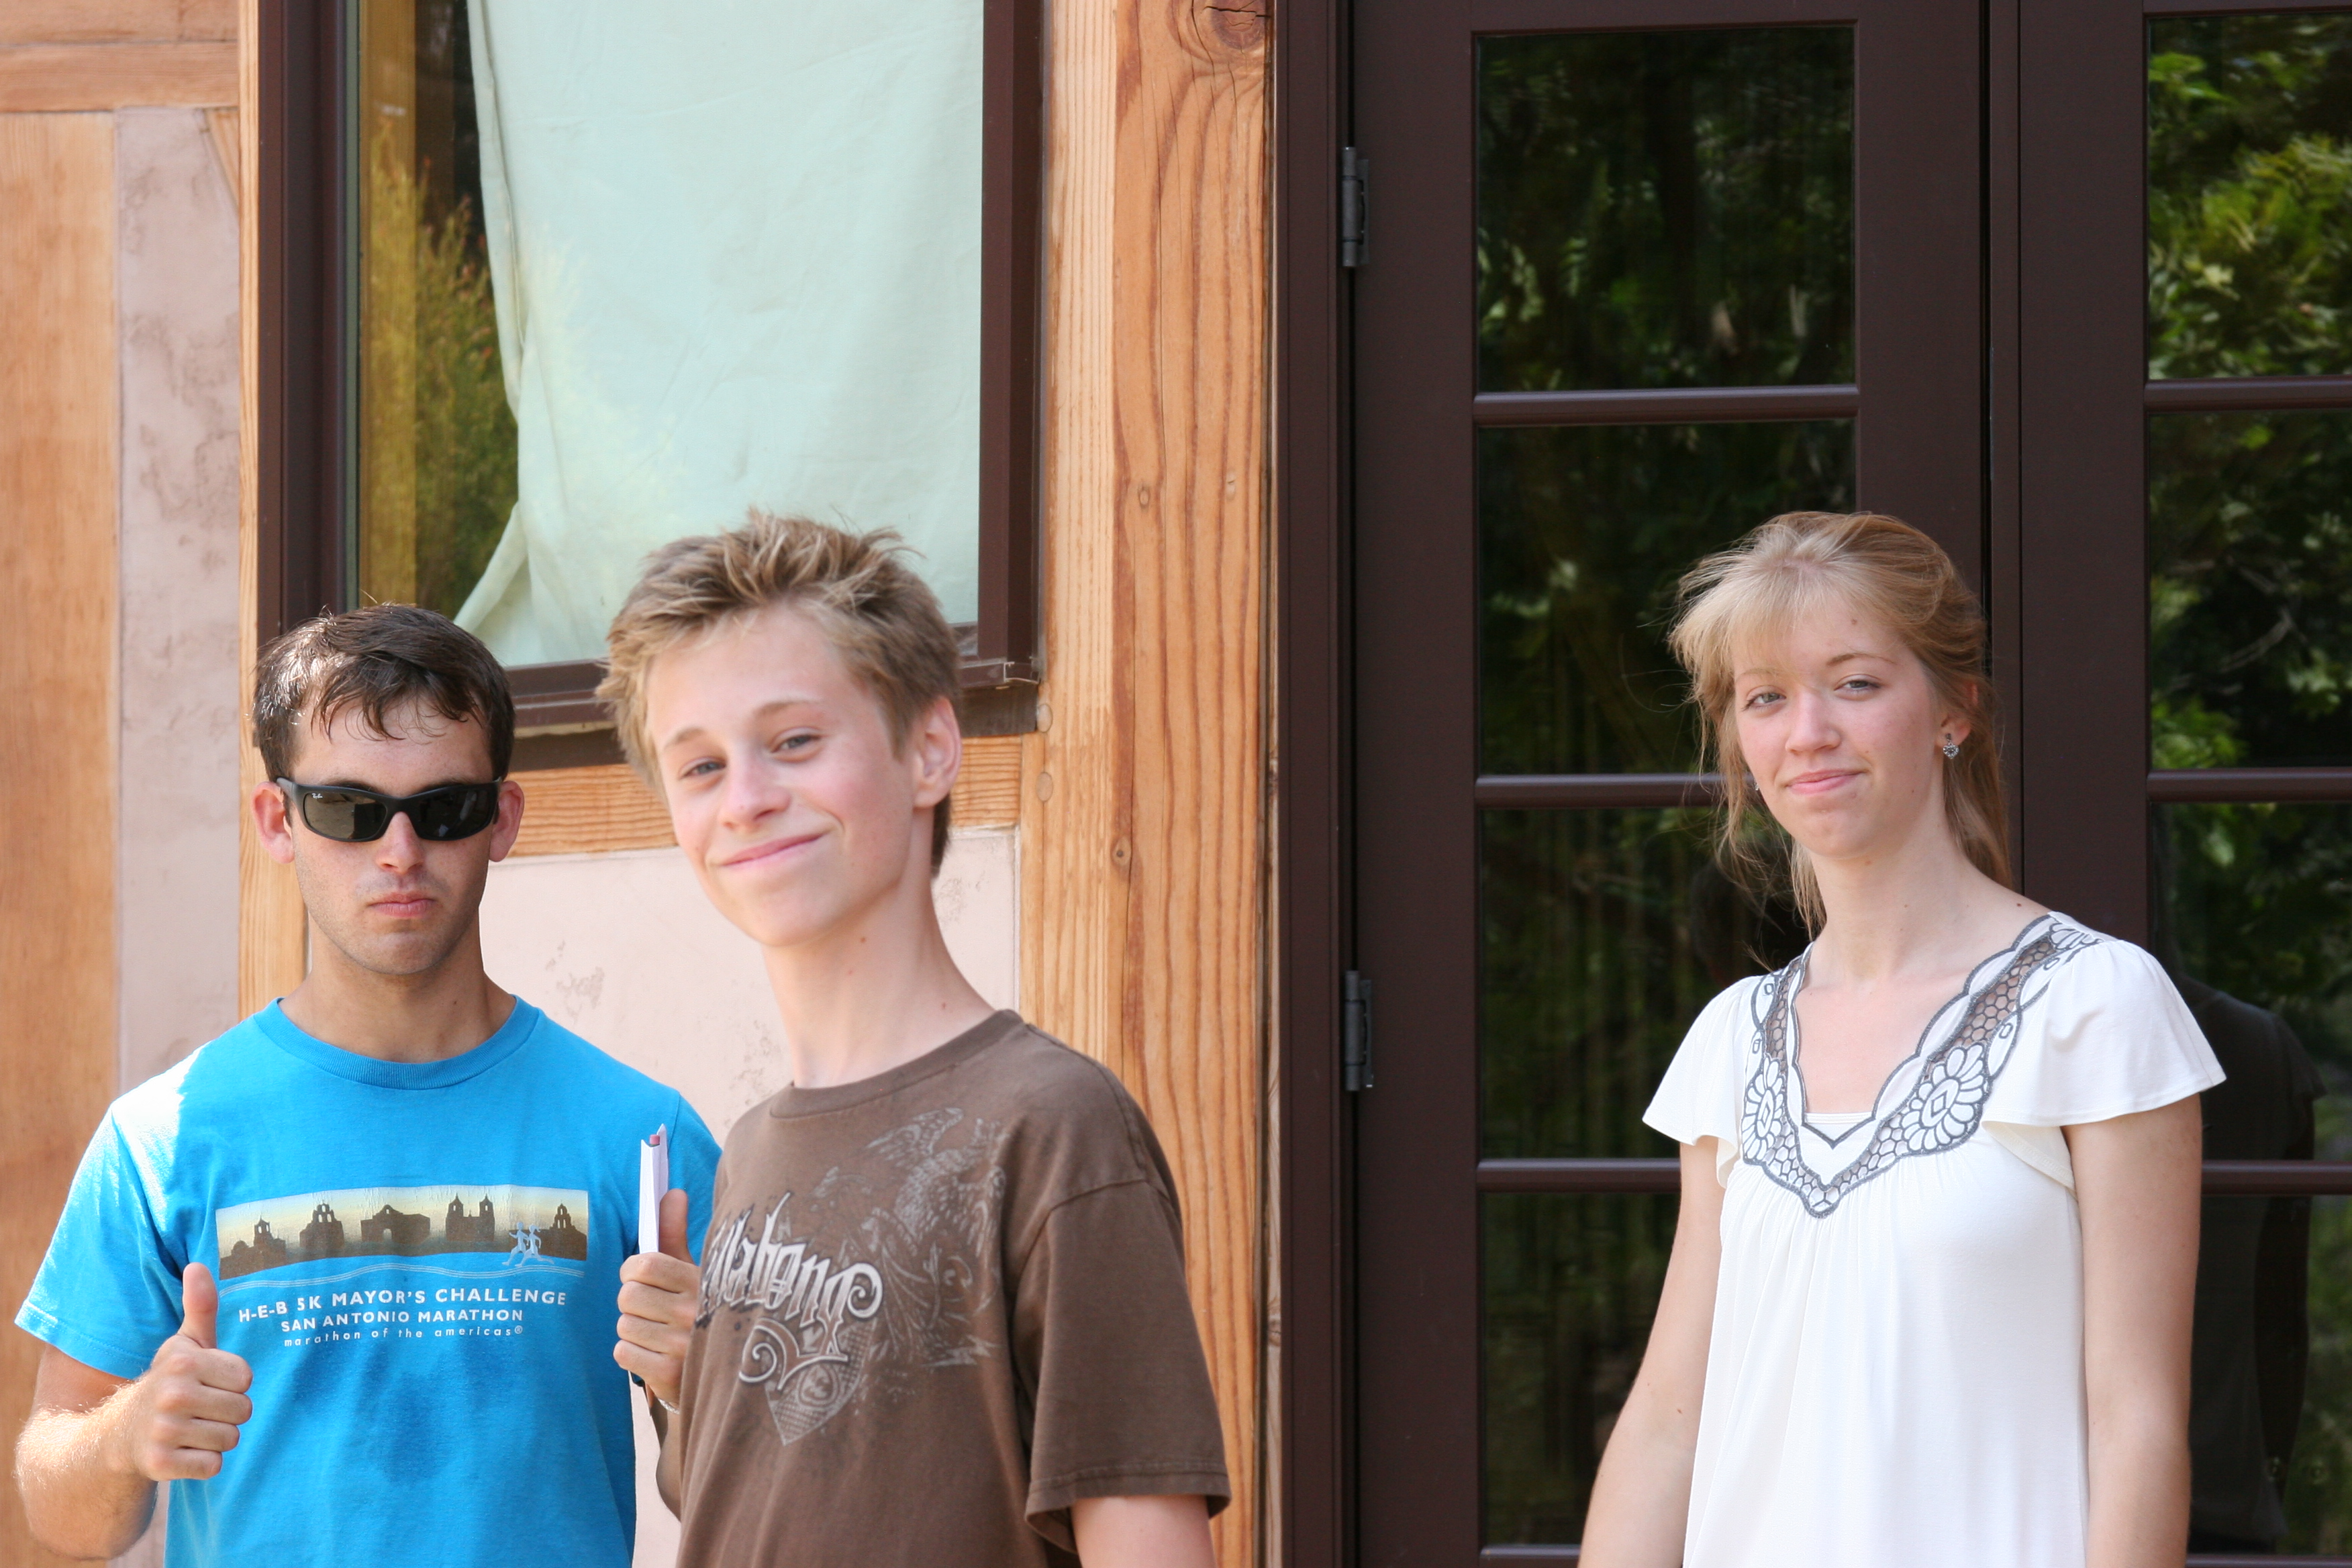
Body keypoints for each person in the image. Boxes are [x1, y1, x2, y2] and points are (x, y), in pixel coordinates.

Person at [12, 605, 721, 1567]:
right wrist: (129, 1430)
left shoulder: (641, 1137)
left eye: (445, 809)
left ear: (502, 820)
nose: (399, 853)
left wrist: (695, 1391)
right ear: (278, 820)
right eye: (348, 810)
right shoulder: (160, 1141)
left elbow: (731, 1492)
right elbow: (61, 1516)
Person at [1580, 513, 2224, 1568]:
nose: (1808, 732)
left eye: (1855, 684)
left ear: (1953, 711)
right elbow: (1665, 1428)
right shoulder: (1734, 1040)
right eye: (1766, 697)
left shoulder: (2096, 1006)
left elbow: (2138, 1425)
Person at [601, 512, 1229, 1568]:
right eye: (699, 766)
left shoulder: (1055, 1132)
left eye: (795, 741)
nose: (746, 800)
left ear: (929, 749)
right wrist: (684, 1388)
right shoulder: (749, 1152)